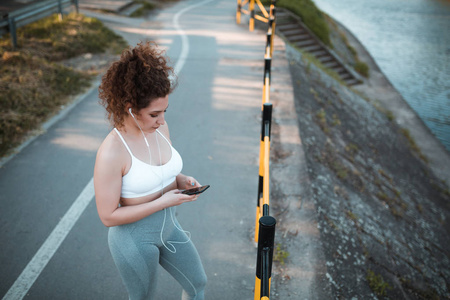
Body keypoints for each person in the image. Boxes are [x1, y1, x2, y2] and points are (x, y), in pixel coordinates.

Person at [93, 41, 207, 300]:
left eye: (165, 111)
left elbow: (159, 173)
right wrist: (163, 202)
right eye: (155, 114)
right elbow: (108, 216)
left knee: (197, 284)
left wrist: (182, 180)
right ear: (130, 109)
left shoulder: (159, 128)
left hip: (170, 228)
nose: (163, 120)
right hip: (133, 241)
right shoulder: (112, 151)